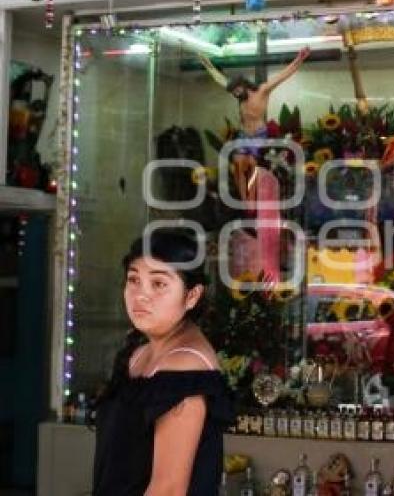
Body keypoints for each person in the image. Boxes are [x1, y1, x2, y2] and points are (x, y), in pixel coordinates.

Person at [92, 230, 234, 495]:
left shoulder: (185, 367)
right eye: (133, 280)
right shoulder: (139, 353)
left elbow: (168, 489)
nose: (141, 295)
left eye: (158, 284)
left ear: (192, 295)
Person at [198, 47, 310, 204]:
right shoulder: (239, 96)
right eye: (234, 93)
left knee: (251, 164)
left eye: (237, 91)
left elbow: (282, 76)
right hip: (244, 135)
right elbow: (220, 80)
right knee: (238, 164)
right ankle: (245, 200)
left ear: (243, 85)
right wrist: (206, 63)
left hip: (259, 135)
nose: (236, 95)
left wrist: (299, 59)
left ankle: (252, 198)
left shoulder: (262, 91)